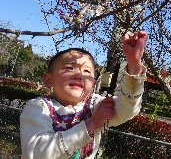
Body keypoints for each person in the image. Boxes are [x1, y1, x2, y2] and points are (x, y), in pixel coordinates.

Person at [20, 31, 148, 159]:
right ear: (48, 79)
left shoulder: (95, 105)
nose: (79, 75)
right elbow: (36, 153)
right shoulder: (38, 107)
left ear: (93, 84)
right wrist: (92, 123)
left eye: (86, 71)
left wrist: (134, 64)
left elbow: (128, 109)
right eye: (70, 68)